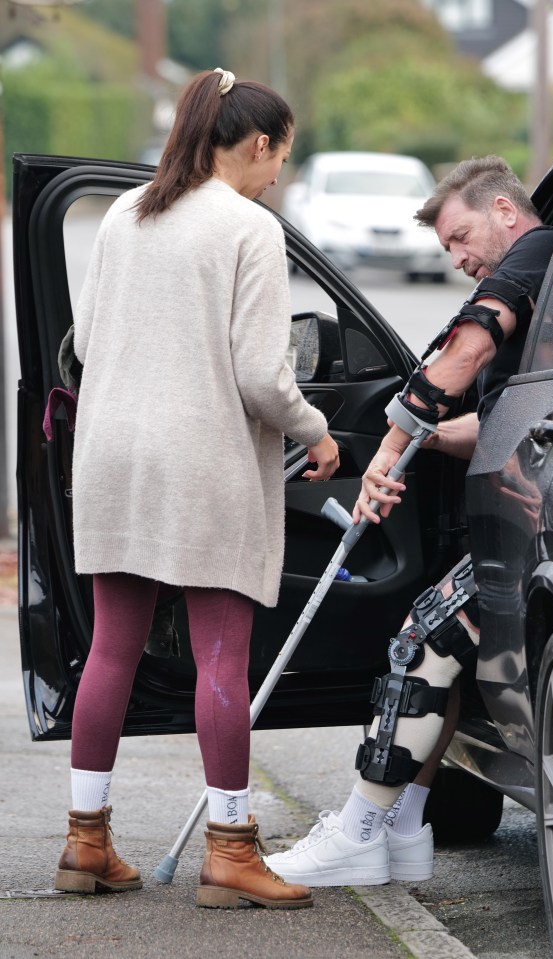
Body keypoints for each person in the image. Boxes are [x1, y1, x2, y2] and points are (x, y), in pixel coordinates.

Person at [53, 68, 339, 910]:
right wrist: (316, 430)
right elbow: (260, 374)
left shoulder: (121, 213)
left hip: (111, 456)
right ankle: (231, 848)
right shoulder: (249, 228)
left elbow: (89, 340)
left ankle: (85, 840)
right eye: (279, 158)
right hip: (202, 460)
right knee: (222, 656)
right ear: (256, 145)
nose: (278, 176)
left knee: (111, 647)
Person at [264, 155, 553, 886]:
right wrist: (420, 442)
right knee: (437, 638)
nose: (458, 259)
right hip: (532, 499)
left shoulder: (535, 254)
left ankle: (361, 829)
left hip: (546, 514)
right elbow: (486, 424)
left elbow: (469, 347)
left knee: (420, 639)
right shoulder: (550, 269)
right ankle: (402, 825)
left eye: (460, 238)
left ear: (502, 210)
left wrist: (388, 448)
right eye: (449, 251)